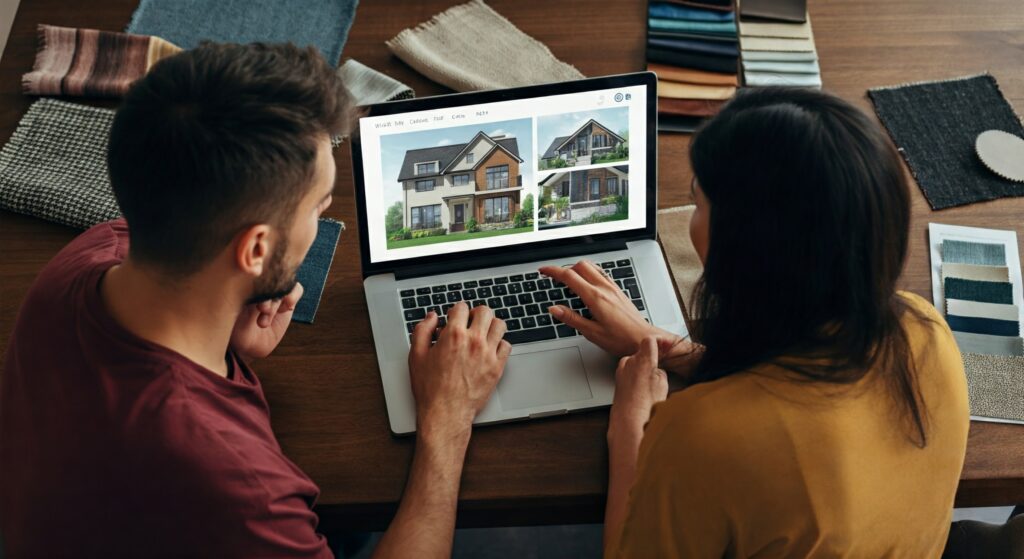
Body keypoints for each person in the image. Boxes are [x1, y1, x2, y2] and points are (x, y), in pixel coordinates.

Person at [0, 43, 510, 558]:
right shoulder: (238, 482)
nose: (322, 222)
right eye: (320, 207)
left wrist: (229, 347)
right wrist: (447, 422)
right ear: (256, 249)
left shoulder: (94, 252)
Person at [540, 87, 970, 557]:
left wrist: (630, 425)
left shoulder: (701, 435)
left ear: (747, 250)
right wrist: (671, 349)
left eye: (698, 203)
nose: (691, 217)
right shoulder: (928, 331)